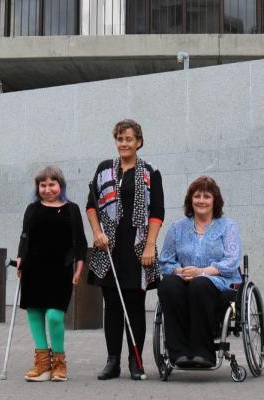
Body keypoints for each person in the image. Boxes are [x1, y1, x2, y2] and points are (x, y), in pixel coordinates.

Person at [86, 119, 164, 380]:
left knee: (134, 304)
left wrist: (150, 245)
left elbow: (157, 212)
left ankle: (136, 360)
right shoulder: (104, 169)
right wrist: (97, 232)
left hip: (138, 248)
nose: (124, 143)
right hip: (108, 248)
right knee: (112, 306)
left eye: (129, 139)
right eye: (120, 139)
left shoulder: (150, 172)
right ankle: (112, 361)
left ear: (139, 141)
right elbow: (91, 205)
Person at [158, 176, 242, 368]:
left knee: (200, 284)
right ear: (190, 200)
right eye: (197, 196)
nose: (201, 200)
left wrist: (201, 272)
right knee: (168, 285)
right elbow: (165, 262)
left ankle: (202, 353)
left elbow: (231, 262)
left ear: (215, 201)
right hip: (186, 278)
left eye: (206, 196)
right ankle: (178, 354)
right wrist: (181, 271)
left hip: (220, 283)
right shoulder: (177, 228)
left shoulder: (228, 226)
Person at [17, 165, 87, 382]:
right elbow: (24, 237)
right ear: (38, 187)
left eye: (52, 184)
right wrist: (20, 259)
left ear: (61, 186)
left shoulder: (72, 209)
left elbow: (80, 242)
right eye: (43, 185)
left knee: (55, 316)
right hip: (33, 269)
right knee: (34, 311)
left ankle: (59, 362)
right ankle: (42, 364)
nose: (47, 189)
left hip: (61, 269)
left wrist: (79, 268)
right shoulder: (32, 208)